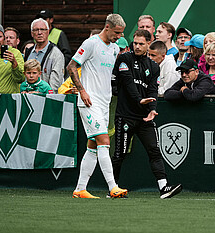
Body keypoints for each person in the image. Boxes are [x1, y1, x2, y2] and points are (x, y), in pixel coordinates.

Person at [112, 29, 182, 199]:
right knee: (119, 154)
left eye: (141, 44)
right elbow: (128, 84)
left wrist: (152, 109)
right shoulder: (124, 58)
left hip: (144, 117)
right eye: (135, 43)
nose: (136, 46)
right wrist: (138, 100)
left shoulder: (153, 66)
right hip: (125, 115)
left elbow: (153, 90)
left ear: (148, 43)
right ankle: (112, 188)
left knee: (154, 151)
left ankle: (164, 188)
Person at [67, 14, 128, 199]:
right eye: (116, 32)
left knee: (93, 146)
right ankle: (113, 187)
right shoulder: (90, 43)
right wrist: (82, 91)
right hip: (89, 101)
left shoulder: (115, 48)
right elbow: (71, 66)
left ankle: (80, 189)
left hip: (104, 103)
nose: (118, 36)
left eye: (121, 33)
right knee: (104, 142)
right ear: (107, 27)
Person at [24, 18, 65, 93]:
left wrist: (42, 95)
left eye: (43, 29)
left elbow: (55, 84)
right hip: (28, 99)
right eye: (36, 30)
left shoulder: (56, 54)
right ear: (32, 33)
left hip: (46, 100)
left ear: (48, 32)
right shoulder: (28, 52)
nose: (39, 33)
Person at [0, 24, 25, 93]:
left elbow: (21, 79)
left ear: (4, 38)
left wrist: (14, 63)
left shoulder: (15, 53)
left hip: (9, 99)